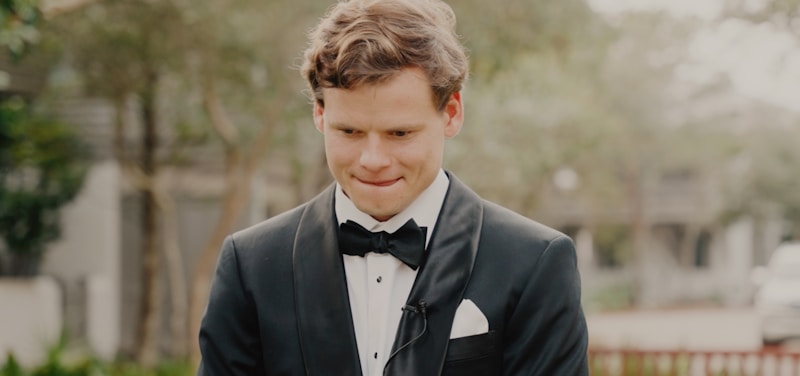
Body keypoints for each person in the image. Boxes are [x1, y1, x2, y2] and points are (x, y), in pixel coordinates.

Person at [197, 0, 589, 374]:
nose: (373, 159)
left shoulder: (536, 262)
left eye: (399, 132)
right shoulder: (250, 265)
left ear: (451, 113)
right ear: (319, 113)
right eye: (349, 131)